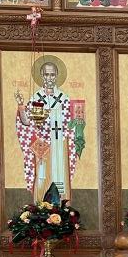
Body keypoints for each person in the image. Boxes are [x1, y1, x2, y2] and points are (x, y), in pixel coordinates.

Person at [15, 59, 79, 201]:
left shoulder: (64, 98)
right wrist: (21, 106)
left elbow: (70, 123)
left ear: (56, 76)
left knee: (60, 174)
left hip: (60, 142)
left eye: (52, 75)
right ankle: (40, 204)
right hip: (42, 144)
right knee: (42, 175)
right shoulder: (36, 98)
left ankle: (62, 204)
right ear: (41, 76)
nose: (49, 78)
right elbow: (26, 122)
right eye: (46, 75)